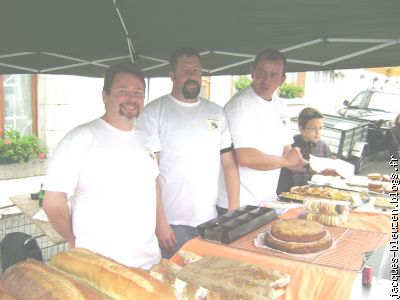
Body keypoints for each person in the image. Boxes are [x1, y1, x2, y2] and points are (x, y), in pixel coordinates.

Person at [42, 63, 161, 269]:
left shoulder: (144, 138)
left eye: (138, 93)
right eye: (123, 92)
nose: (131, 99)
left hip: (150, 262)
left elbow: (153, 184)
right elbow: (52, 202)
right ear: (105, 96)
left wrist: (162, 225)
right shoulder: (80, 138)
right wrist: (73, 241)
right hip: (100, 267)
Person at [136, 47, 240, 259]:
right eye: (184, 70)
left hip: (211, 221)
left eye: (196, 70)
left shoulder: (216, 112)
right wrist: (160, 223)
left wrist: (233, 212)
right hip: (172, 225)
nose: (192, 75)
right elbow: (149, 174)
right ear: (172, 75)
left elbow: (229, 164)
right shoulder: (154, 112)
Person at [217, 49, 304, 211]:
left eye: (273, 76)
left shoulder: (280, 106)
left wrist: (311, 167)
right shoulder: (241, 105)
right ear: (252, 72)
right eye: (261, 73)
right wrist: (286, 161)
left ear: (282, 80)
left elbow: (286, 152)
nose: (266, 81)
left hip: (266, 200)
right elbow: (245, 156)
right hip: (238, 205)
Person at [277, 107, 335, 194]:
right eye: (312, 128)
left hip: (314, 193)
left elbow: (324, 173)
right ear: (301, 129)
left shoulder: (324, 147)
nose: (318, 132)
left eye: (321, 128)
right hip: (288, 193)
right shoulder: (291, 145)